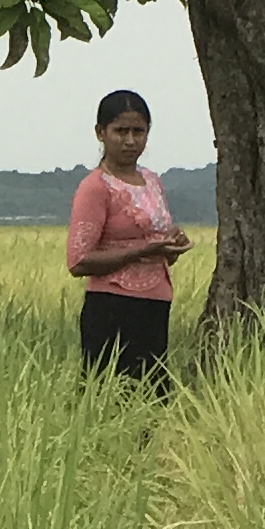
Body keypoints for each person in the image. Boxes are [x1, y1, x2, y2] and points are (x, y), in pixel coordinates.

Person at [67, 88, 191, 387]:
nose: (130, 140)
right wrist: (140, 250)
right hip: (112, 306)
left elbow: (156, 246)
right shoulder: (95, 187)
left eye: (139, 131)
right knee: (110, 396)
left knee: (153, 395)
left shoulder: (151, 181)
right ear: (101, 133)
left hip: (155, 304)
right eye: (120, 131)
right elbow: (79, 261)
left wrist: (170, 246)